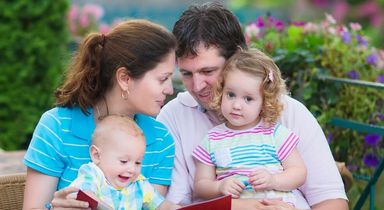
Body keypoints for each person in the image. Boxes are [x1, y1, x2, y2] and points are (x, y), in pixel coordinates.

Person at [156, 2, 348, 209]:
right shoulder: (174, 117)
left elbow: (332, 202)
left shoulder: (289, 112)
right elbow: (169, 205)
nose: (197, 86)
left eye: (208, 71)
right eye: (186, 74)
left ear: (237, 58)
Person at [23, 19, 177, 209]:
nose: (170, 89)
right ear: (124, 78)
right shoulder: (56, 126)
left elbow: (154, 204)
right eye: (163, 79)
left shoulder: (161, 140)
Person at [192, 49, 307, 205]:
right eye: (231, 94)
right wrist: (220, 186)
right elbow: (200, 185)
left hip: (276, 206)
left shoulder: (274, 133)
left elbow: (298, 172)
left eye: (248, 98)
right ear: (221, 91)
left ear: (265, 102)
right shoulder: (212, 139)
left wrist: (273, 180)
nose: (237, 105)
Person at [70, 115, 180, 210]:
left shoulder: (139, 183)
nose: (132, 169)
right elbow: (84, 193)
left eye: (138, 163)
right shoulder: (92, 174)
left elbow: (160, 205)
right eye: (123, 161)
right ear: (97, 155)